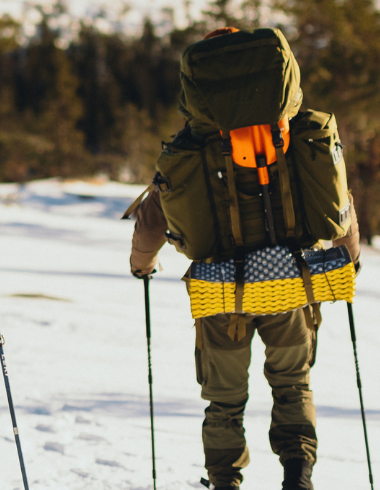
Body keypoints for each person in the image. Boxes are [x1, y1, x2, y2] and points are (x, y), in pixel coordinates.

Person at [127, 26, 360, 490]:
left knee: (224, 401)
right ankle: (298, 474)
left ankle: (225, 481)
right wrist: (349, 258)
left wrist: (142, 265)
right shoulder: (296, 135)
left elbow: (153, 218)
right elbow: (339, 202)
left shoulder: (191, 146)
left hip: (220, 292)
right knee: (292, 384)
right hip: (290, 283)